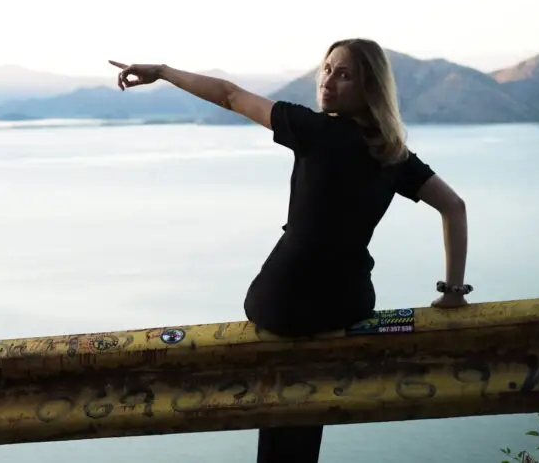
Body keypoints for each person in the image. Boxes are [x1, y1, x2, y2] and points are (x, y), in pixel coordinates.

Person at [109, 38, 472, 463]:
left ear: (368, 86)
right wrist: (453, 292)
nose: (328, 81)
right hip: (347, 305)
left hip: (283, 303)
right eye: (327, 69)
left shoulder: (314, 130)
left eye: (344, 74)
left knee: (282, 405)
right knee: (306, 403)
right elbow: (455, 207)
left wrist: (165, 72)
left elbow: (230, 96)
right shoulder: (393, 153)